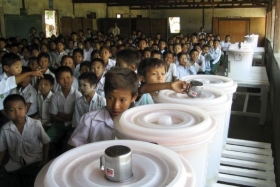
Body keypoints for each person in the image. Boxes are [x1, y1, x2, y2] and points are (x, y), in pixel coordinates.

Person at [68, 67, 138, 147]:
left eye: (122, 100)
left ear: (133, 97)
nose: (116, 106)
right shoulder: (89, 120)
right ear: (105, 94)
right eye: (110, 98)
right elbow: (73, 146)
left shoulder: (137, 123)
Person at [0, 94, 50, 187]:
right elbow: (2, 150)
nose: (17, 113)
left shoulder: (36, 124)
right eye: (12, 110)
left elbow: (46, 142)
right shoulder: (5, 129)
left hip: (35, 160)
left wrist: (44, 160)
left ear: (26, 108)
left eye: (20, 108)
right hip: (15, 163)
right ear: (6, 112)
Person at [0, 53, 44, 125]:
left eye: (21, 66)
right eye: (17, 67)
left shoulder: (13, 81)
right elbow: (1, 108)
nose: (20, 69)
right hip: (5, 115)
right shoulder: (2, 80)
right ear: (6, 68)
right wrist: (12, 119)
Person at [47, 66, 82, 157]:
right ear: (58, 81)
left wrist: (61, 114)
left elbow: (76, 117)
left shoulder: (77, 95)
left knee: (67, 146)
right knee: (46, 139)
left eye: (68, 78)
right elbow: (53, 116)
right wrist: (69, 117)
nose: (66, 81)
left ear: (72, 78)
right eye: (62, 79)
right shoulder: (56, 96)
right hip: (59, 125)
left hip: (73, 126)